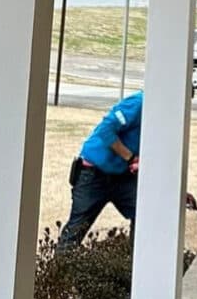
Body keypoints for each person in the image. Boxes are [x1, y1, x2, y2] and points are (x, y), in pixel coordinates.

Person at [58, 90, 144, 249]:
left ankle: (137, 267)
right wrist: (130, 157)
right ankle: (58, 271)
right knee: (75, 232)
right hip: (92, 174)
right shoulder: (138, 103)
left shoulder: (161, 114)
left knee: (146, 213)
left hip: (122, 177)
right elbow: (105, 130)